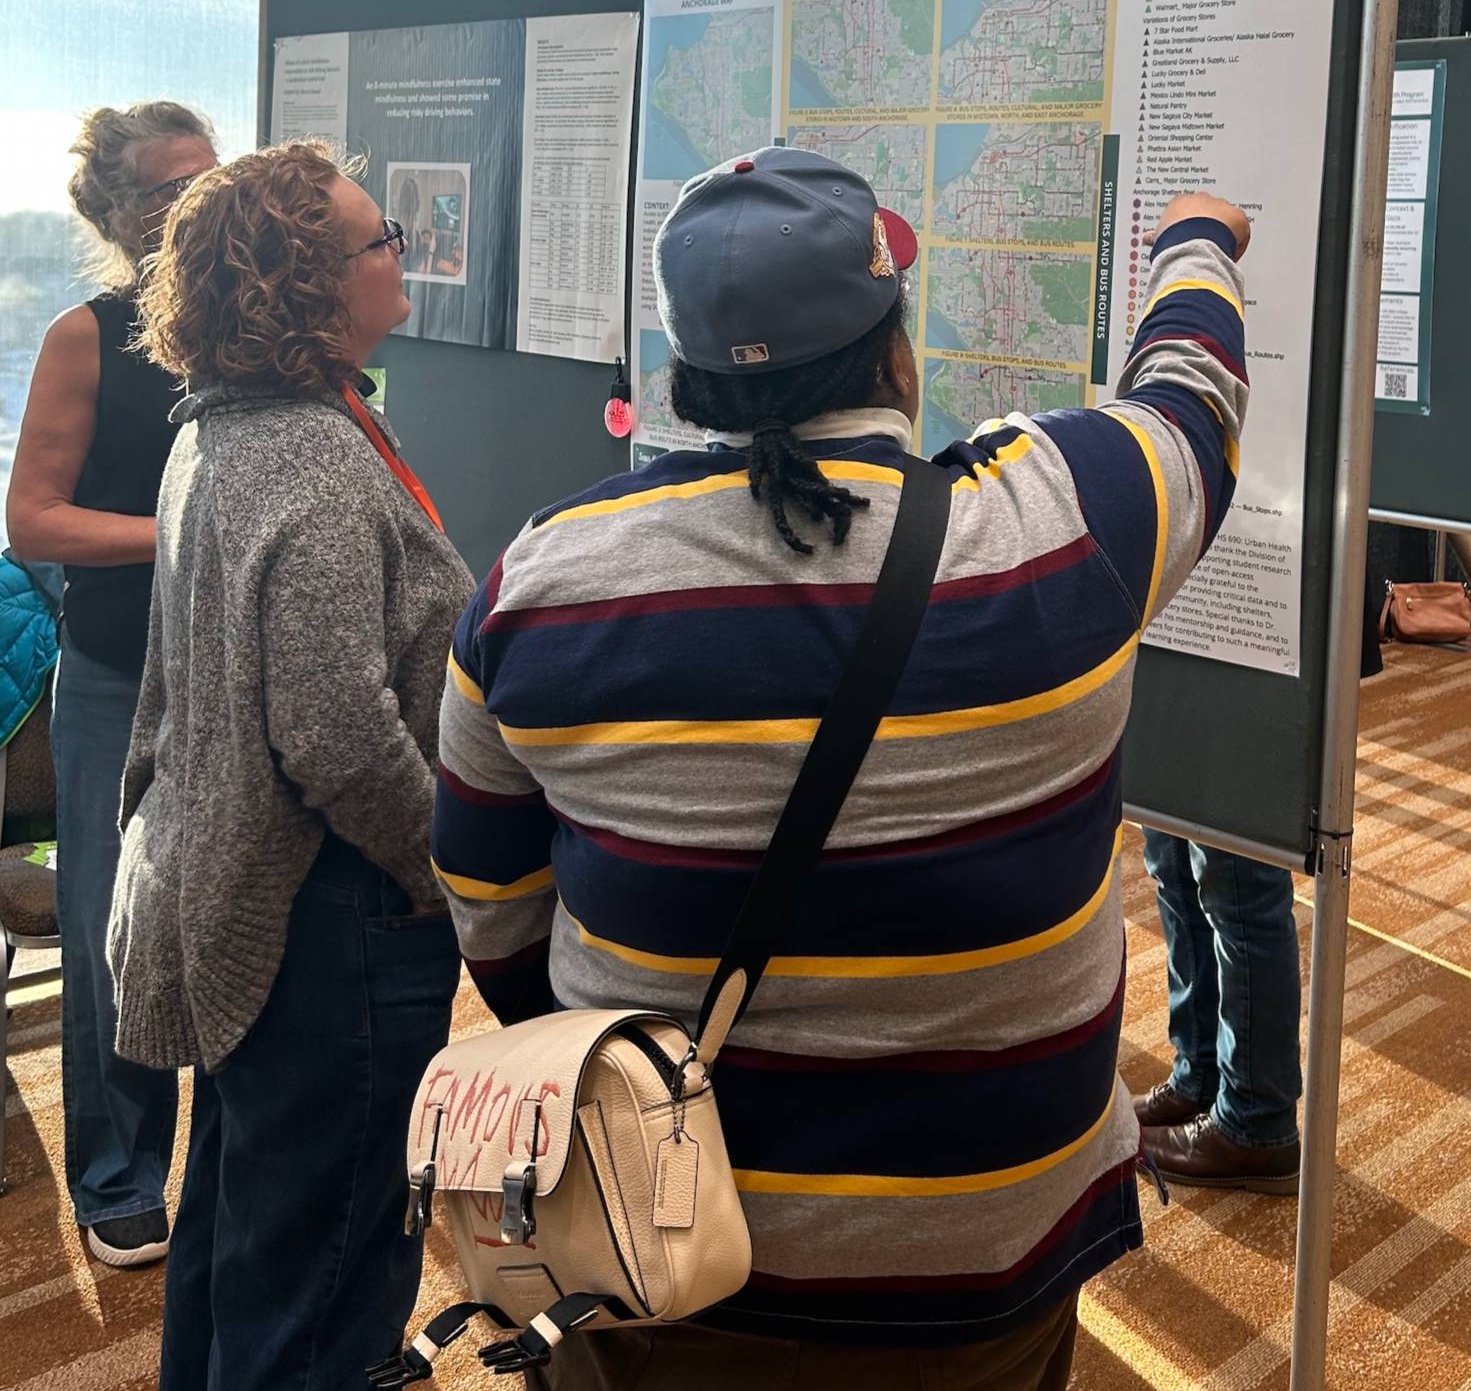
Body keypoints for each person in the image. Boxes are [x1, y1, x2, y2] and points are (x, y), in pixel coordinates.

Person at [433, 146, 1251, 1390]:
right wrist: (1196, 240)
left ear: (686, 375)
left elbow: (493, 915)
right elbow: (1191, 397)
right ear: (895, 353)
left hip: (652, 1237)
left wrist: (632, 1068)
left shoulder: (540, 582)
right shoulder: (1064, 518)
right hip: (981, 1250)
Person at [106, 141, 474, 1391]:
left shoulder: (218, 430)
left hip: (247, 894)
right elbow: (333, 732)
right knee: (323, 1278)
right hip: (337, 911)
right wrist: (446, 867)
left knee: (248, 1238)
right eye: (380, 241)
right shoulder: (310, 461)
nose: (397, 256)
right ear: (311, 286)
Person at [6, 101, 216, 1267]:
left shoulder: (264, 328)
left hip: (244, 669)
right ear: (116, 217)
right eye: (163, 194)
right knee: (105, 932)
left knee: (248, 913)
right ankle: (117, 1173)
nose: (191, 208)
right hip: (117, 673)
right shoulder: (87, 336)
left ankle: (239, 1156)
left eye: (207, 182)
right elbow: (31, 517)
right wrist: (182, 530)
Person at [1135, 564, 1385, 1192]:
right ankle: (1201, 1073)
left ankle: (1257, 1122)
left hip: (1260, 601)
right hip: (1178, 601)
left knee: (1238, 880)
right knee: (1169, 849)